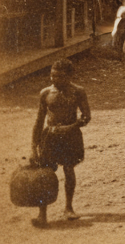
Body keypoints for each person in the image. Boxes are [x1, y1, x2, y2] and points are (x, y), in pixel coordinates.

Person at [29, 58, 90, 227]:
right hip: (50, 137)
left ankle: (69, 207)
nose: (55, 80)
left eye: (60, 76)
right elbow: (39, 121)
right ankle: (42, 214)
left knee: (69, 170)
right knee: (45, 174)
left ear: (70, 76)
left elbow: (86, 116)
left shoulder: (78, 92)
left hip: (71, 137)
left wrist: (72, 126)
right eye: (52, 76)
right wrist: (34, 147)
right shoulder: (46, 93)